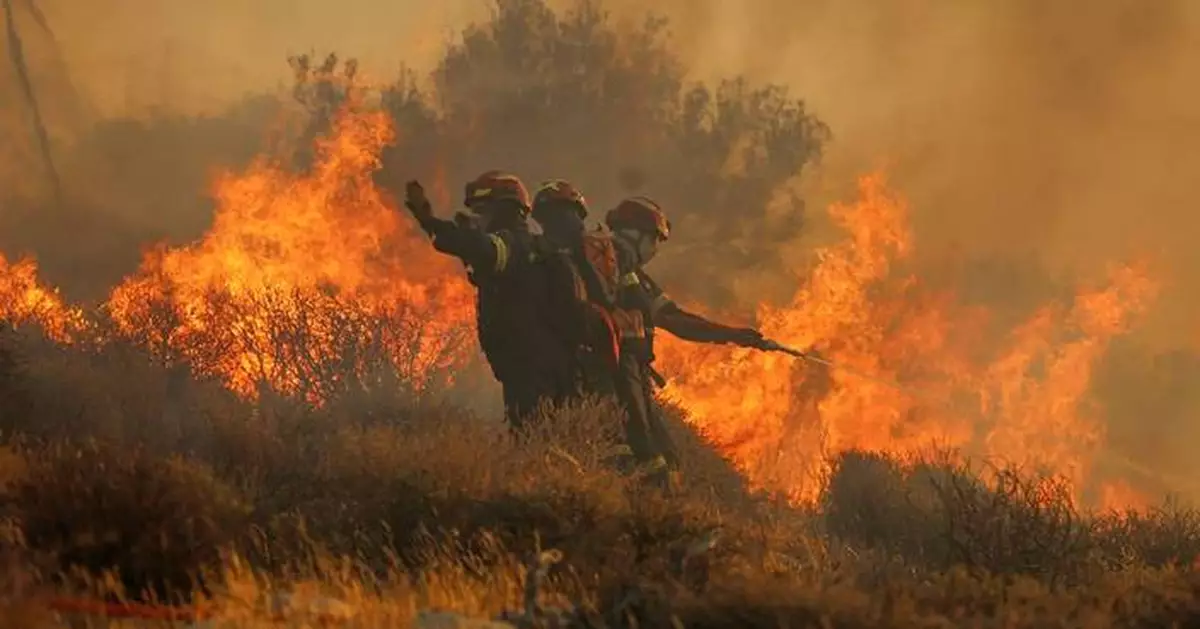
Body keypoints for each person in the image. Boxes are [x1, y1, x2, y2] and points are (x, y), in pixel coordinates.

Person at [603, 196, 779, 490]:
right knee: (650, 462)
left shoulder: (628, 275)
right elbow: (677, 323)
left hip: (625, 376)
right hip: (620, 379)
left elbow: (673, 316)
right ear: (637, 234)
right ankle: (643, 521)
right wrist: (734, 336)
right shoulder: (618, 269)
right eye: (654, 240)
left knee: (665, 459)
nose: (655, 250)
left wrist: (735, 335)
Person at [402, 170, 579, 433]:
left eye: (483, 211)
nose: (479, 218)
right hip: (540, 361)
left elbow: (483, 249)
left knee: (531, 438)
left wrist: (432, 222)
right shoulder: (530, 247)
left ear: (505, 210)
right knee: (546, 436)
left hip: (530, 364)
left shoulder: (513, 244)